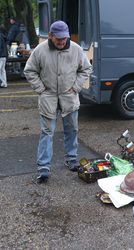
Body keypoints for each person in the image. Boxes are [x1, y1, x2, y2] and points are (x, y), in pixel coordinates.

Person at [24, 20, 92, 183]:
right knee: (47, 132)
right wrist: (40, 89)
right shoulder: (40, 50)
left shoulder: (75, 49)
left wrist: (76, 87)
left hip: (69, 97)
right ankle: (43, 168)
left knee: (72, 130)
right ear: (50, 36)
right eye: (58, 39)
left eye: (64, 38)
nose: (62, 42)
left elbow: (86, 68)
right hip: (48, 97)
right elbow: (29, 70)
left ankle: (71, 159)